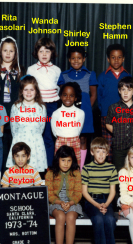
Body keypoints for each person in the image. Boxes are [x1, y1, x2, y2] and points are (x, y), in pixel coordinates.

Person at [1, 142, 42, 244]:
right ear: (13, 157)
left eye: (23, 156)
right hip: (13, 208)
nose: (20, 159)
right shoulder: (8, 173)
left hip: (30, 207)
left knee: (31, 228)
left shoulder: (33, 172)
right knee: (16, 227)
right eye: (17, 156)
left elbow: (39, 192)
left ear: (28, 156)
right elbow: (4, 192)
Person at [57, 46, 97, 169]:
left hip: (85, 113)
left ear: (84, 59)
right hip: (68, 114)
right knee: (69, 138)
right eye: (73, 58)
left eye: (79, 58)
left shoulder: (90, 74)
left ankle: (79, 168)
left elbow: (93, 95)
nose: (76, 60)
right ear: (69, 59)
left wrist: (85, 111)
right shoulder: (64, 75)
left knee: (83, 139)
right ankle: (68, 167)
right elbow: (62, 95)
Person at [0, 36, 24, 172]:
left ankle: (14, 177)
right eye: (5, 50)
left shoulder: (21, 72)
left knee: (14, 147)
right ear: (0, 52)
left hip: (15, 115)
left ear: (15, 54)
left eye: (11, 51)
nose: (8, 54)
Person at [81, 137, 119, 244]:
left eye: (103, 152)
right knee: (98, 218)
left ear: (107, 153)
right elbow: (84, 192)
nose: (101, 155)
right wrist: (97, 205)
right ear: (92, 152)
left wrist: (106, 204)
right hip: (92, 201)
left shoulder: (112, 168)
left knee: (109, 218)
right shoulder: (86, 169)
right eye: (98, 151)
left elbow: (113, 191)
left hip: (106, 200)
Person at [45, 146, 82, 244]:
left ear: (73, 161)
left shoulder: (76, 173)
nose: (66, 164)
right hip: (56, 203)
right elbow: (49, 193)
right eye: (63, 160)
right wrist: (60, 202)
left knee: (70, 217)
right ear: (57, 160)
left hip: (73, 203)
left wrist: (70, 203)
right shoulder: (50, 173)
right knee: (60, 217)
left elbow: (78, 193)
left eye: (69, 160)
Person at [27, 37, 61, 166]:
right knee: (35, 136)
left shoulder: (57, 70)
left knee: (49, 137)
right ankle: (33, 166)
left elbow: (58, 89)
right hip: (36, 106)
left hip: (52, 107)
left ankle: (48, 167)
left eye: (47, 51)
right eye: (41, 51)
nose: (44, 54)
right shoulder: (31, 69)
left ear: (52, 53)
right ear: (36, 53)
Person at [5, 75, 48, 173]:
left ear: (36, 91)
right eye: (26, 89)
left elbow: (41, 128)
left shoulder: (41, 108)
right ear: (21, 91)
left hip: (36, 144)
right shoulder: (16, 107)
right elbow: (13, 128)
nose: (29, 93)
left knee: (34, 174)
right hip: (19, 141)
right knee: (18, 175)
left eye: (32, 90)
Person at [97, 44, 131, 163]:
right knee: (107, 144)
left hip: (124, 116)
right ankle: (108, 169)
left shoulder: (127, 76)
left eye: (119, 57)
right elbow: (99, 97)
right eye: (113, 57)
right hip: (107, 116)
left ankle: (121, 170)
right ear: (108, 59)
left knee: (123, 143)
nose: (116, 60)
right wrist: (104, 113)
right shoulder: (102, 76)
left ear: (123, 58)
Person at [105, 76, 133, 172]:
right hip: (118, 146)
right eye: (123, 89)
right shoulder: (113, 108)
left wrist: (132, 132)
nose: (126, 93)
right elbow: (108, 124)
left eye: (129, 90)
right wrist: (117, 132)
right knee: (119, 173)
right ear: (119, 91)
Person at [51, 82, 85, 166]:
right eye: (65, 95)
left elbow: (78, 129)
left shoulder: (80, 113)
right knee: (60, 166)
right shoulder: (56, 113)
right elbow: (54, 131)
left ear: (76, 98)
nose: (68, 98)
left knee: (74, 165)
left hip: (75, 142)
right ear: (61, 96)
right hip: (60, 142)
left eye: (71, 95)